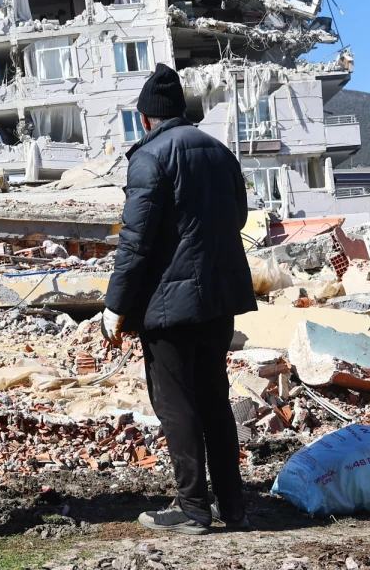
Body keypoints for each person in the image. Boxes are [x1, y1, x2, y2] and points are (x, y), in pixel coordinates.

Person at [101, 64, 256, 535]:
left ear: (148, 118)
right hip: (219, 300)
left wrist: (115, 305)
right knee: (214, 400)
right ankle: (234, 507)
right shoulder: (219, 152)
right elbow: (240, 217)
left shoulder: (149, 158)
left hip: (168, 308)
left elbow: (136, 241)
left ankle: (193, 509)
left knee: (177, 405)